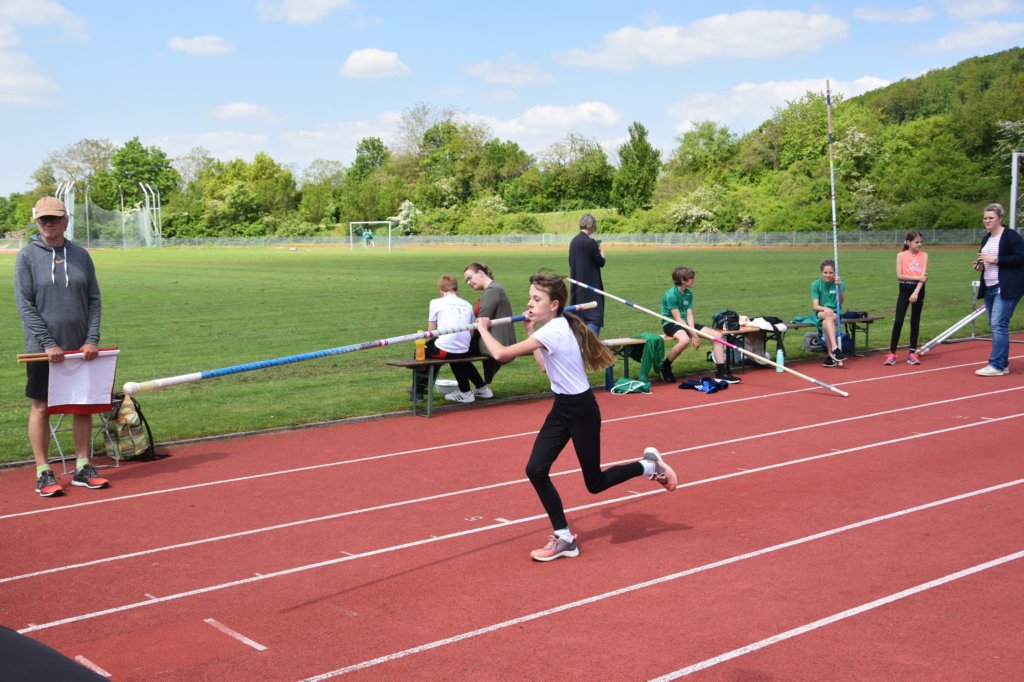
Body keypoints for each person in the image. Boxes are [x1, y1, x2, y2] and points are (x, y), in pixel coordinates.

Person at [476, 269, 677, 562]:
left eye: (537, 299)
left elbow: (501, 354)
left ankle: (647, 466)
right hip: (562, 408)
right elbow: (544, 367)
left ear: (554, 304)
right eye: (530, 298)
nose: (529, 303)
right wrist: (530, 331)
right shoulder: (554, 328)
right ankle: (565, 537)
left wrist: (483, 328)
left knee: (594, 483)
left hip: (581, 410)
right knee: (535, 469)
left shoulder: (556, 330)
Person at [14, 196, 109, 497]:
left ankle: (82, 466)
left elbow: (94, 300)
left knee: (82, 405)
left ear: (65, 221)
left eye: (54, 218)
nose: (49, 223)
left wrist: (92, 338)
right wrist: (48, 343)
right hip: (42, 350)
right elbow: (25, 305)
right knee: (42, 407)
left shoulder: (80, 255)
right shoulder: (27, 257)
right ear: (37, 222)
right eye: (43, 219)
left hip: (81, 348)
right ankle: (43, 471)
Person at [659, 267, 740, 384]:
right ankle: (665, 367)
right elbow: (678, 319)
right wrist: (694, 335)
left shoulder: (688, 294)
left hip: (686, 323)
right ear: (683, 280)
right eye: (691, 278)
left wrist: (693, 333)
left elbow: (689, 315)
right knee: (684, 340)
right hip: (671, 323)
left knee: (717, 336)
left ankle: (721, 372)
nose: (694, 280)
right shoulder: (671, 295)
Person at [416, 274, 487, 403]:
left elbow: (431, 333)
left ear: (441, 291)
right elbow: (471, 333)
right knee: (457, 357)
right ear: (457, 289)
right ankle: (479, 388)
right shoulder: (467, 304)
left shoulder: (435, 302)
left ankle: (418, 392)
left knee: (420, 352)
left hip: (448, 350)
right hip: (464, 348)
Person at [973, 203, 1024, 376]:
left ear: (1000, 219)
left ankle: (997, 365)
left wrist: (996, 259)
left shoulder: (1010, 236)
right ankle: (1002, 363)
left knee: (998, 324)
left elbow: (1020, 257)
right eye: (985, 218)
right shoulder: (986, 238)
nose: (987, 221)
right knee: (996, 325)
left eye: (991, 218)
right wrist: (981, 265)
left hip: (1007, 286)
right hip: (990, 286)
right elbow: (985, 260)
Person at [463, 262, 515, 398]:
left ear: (480, 273)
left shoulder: (492, 290)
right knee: (455, 346)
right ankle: (480, 387)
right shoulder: (495, 288)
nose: (468, 283)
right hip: (497, 338)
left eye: (469, 278)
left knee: (454, 349)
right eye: (466, 281)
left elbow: (481, 322)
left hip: (496, 342)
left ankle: (467, 391)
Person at [884, 231, 928, 366]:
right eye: (916, 242)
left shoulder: (924, 256)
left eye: (921, 242)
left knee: (915, 321)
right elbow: (900, 275)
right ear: (908, 242)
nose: (919, 244)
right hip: (904, 289)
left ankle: (912, 353)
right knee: (898, 320)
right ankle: (892, 353)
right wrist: (918, 277)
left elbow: (924, 278)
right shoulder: (901, 255)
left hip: (918, 290)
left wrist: (916, 292)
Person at [568, 213, 605, 337]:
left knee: (579, 317)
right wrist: (602, 253)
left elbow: (571, 262)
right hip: (591, 287)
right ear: (591, 225)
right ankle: (591, 342)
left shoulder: (573, 242)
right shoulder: (591, 243)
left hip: (577, 288)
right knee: (594, 315)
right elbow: (600, 262)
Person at [811, 258, 846, 367]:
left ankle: (831, 355)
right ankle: (835, 348)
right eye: (825, 272)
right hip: (821, 311)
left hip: (835, 312)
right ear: (821, 272)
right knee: (828, 316)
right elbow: (815, 306)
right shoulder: (816, 284)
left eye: (831, 273)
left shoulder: (839, 283)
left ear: (835, 273)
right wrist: (825, 308)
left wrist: (838, 286)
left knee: (826, 322)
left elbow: (841, 301)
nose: (828, 275)